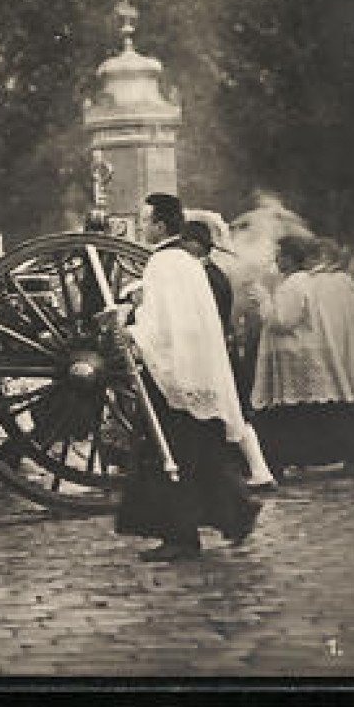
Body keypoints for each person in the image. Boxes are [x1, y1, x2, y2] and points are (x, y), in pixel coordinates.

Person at [113, 194, 260, 562]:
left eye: (146, 221)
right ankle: (236, 511)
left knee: (169, 453)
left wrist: (132, 331)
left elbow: (162, 324)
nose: (143, 228)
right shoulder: (187, 261)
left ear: (161, 225)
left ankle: (180, 535)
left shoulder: (163, 263)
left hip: (174, 372)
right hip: (196, 368)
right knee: (202, 449)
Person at [250, 234, 354, 472]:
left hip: (296, 357)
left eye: (280, 255)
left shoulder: (296, 282)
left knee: (297, 412)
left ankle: (286, 460)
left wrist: (263, 299)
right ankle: (344, 455)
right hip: (298, 355)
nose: (277, 260)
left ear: (291, 258)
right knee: (314, 409)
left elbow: (283, 320)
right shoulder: (302, 281)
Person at [181, 219, 278, 492]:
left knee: (232, 411)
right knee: (231, 411)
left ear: (195, 246)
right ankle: (257, 470)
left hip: (216, 352)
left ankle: (258, 471)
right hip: (221, 349)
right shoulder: (214, 274)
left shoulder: (208, 277)